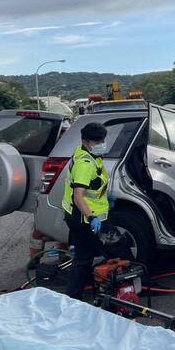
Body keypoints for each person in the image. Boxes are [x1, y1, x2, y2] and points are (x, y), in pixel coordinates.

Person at [62, 122, 113, 299]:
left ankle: (76, 296)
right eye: (97, 141)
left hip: (80, 216)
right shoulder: (85, 163)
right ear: (85, 141)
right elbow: (78, 196)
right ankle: (75, 297)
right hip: (84, 218)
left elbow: (94, 186)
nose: (101, 144)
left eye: (102, 140)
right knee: (90, 257)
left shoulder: (89, 155)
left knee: (84, 257)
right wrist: (91, 218)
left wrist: (106, 197)